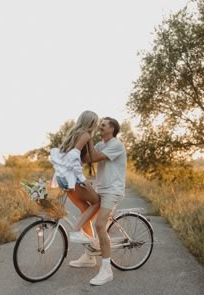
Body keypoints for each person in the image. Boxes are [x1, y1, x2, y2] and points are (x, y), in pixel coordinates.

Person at [69, 117, 127, 286]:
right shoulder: (101, 145)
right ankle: (89, 256)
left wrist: (88, 136)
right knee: (85, 215)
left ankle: (107, 270)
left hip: (112, 191)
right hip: (101, 189)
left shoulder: (116, 144)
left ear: (113, 128)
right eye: (99, 123)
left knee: (100, 225)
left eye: (104, 124)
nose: (100, 125)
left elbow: (93, 156)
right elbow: (86, 158)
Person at [50, 110, 100, 242]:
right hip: (71, 179)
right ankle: (76, 231)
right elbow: (73, 157)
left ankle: (90, 244)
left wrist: (101, 155)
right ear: (91, 123)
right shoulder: (85, 135)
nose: (97, 125)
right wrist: (83, 179)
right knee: (97, 202)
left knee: (85, 210)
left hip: (62, 178)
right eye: (96, 123)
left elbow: (82, 158)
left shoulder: (74, 134)